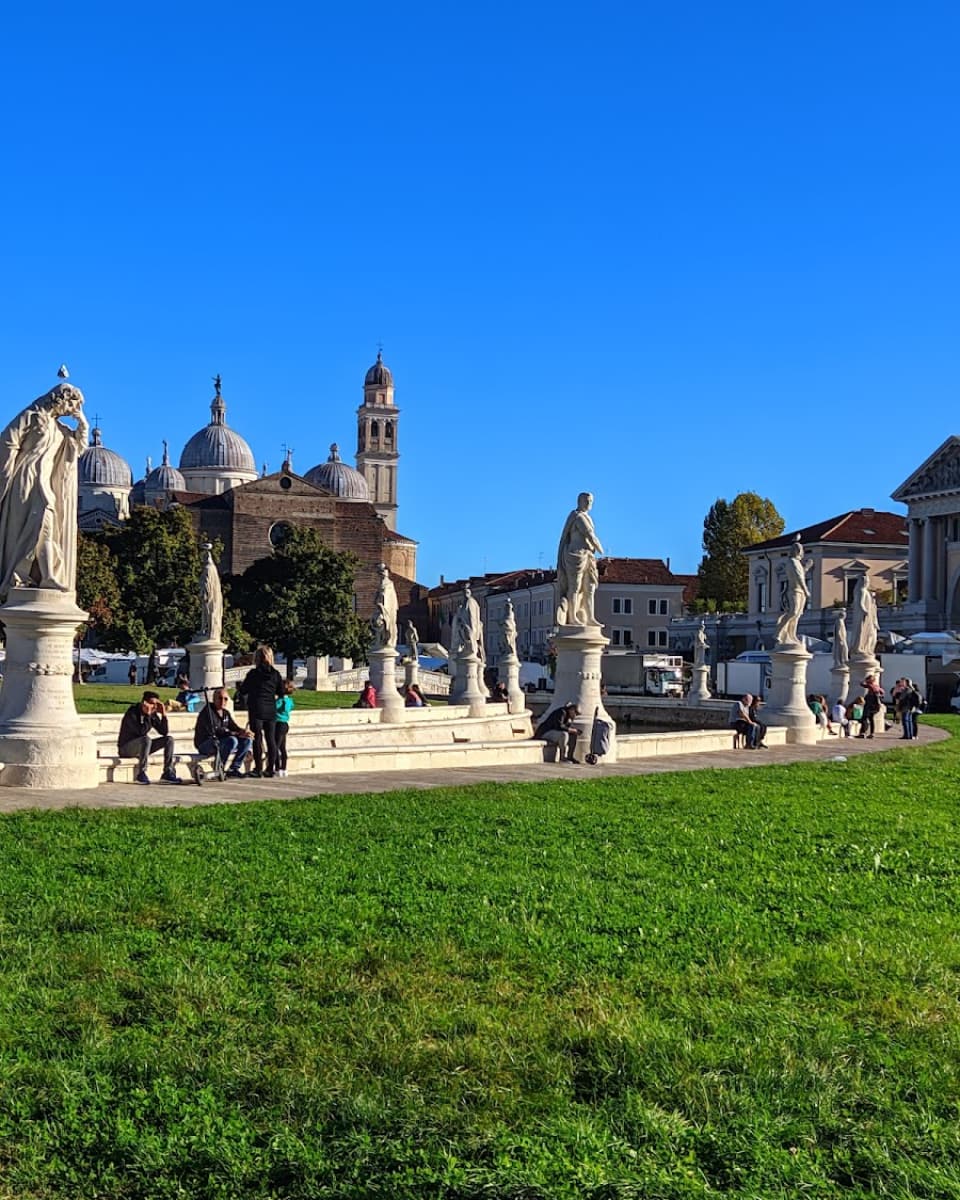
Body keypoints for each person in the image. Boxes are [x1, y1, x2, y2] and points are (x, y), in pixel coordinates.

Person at [0, 382, 87, 597]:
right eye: (71, 405)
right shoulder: (30, 415)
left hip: (44, 483)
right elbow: (7, 442)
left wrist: (82, 422)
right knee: (30, 529)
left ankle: (46, 577)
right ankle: (20, 577)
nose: (71, 410)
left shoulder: (59, 429)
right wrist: (6, 474)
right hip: (26, 480)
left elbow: (77, 447)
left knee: (46, 526)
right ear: (60, 399)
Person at [236, 645, 285, 777]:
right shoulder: (275, 674)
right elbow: (281, 692)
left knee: (257, 738)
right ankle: (270, 768)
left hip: (256, 708)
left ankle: (258, 768)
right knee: (271, 739)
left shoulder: (253, 674)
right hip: (270, 709)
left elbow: (244, 690)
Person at [555, 492, 603, 626]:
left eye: (591, 501)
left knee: (589, 587)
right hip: (576, 556)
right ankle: (573, 617)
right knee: (575, 586)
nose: (589, 504)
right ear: (579, 501)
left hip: (588, 556)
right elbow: (589, 535)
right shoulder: (577, 516)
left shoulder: (588, 517)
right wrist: (600, 549)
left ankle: (590, 617)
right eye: (586, 501)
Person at [117, 690, 180, 784]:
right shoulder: (132, 712)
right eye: (152, 703)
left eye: (156, 704)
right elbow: (141, 732)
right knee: (146, 739)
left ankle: (167, 772)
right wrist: (147, 714)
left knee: (169, 740)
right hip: (126, 748)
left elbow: (164, 732)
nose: (154, 706)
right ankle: (141, 773)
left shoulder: (152, 715)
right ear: (144, 702)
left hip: (143, 746)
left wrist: (163, 715)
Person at [193, 688, 253, 777]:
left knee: (247, 740)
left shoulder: (225, 713)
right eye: (220, 698)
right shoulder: (207, 712)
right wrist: (236, 734)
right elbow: (217, 731)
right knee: (232, 740)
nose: (223, 701)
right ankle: (220, 767)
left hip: (221, 742)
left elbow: (233, 727)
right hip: (206, 743)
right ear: (214, 699)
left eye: (225, 699)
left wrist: (243, 732)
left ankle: (234, 768)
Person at [775, 541, 809, 647]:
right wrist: (806, 589)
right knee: (793, 612)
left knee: (797, 615)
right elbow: (799, 577)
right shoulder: (792, 562)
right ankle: (778, 633)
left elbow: (801, 574)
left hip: (800, 591)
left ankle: (791, 635)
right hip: (794, 590)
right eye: (799, 550)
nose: (800, 552)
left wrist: (807, 567)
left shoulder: (797, 563)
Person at [275, 680, 296, 776]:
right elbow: (291, 707)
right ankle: (284, 768)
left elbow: (274, 707)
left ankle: (277, 767)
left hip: (278, 724)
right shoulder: (289, 701)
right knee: (282, 748)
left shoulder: (280, 701)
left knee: (276, 746)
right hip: (285, 724)